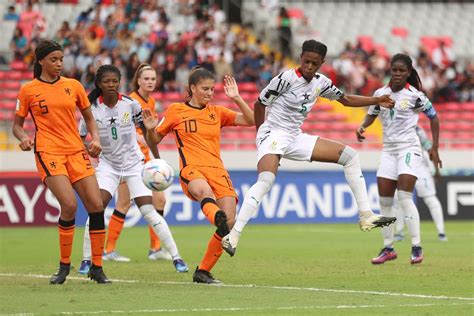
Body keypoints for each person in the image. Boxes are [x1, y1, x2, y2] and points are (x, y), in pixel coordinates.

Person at [221, 40, 397, 257]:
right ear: (300, 58)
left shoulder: (321, 82)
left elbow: (346, 99)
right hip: (273, 133)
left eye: (315, 63)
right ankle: (234, 235)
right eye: (306, 61)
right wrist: (261, 133)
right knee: (266, 181)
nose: (310, 67)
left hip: (295, 136)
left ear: (322, 63)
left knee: (350, 156)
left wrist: (377, 99)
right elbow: (260, 104)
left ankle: (366, 215)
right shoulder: (285, 79)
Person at [143, 67, 254, 284]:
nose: (210, 93)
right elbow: (154, 140)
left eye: (212, 89)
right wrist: (149, 129)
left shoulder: (217, 112)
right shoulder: (176, 111)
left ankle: (202, 271)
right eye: (205, 89)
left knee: (230, 223)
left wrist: (237, 98)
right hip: (192, 169)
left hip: (218, 171)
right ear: (192, 88)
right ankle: (216, 218)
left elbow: (250, 120)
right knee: (204, 192)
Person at [12, 40, 110, 284]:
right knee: (68, 205)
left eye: (61, 59)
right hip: (49, 152)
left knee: (96, 206)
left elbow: (89, 117)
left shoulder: (73, 86)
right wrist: (24, 138)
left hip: (76, 150)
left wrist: (95, 138)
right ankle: (64, 266)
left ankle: (97, 268)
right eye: (54, 60)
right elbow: (17, 125)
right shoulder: (28, 90)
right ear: (41, 61)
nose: (59, 64)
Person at [77, 64, 189, 274]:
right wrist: (89, 148)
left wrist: (155, 152)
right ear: (99, 84)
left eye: (114, 81)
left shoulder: (131, 105)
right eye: (106, 82)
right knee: (96, 208)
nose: (111, 85)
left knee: (149, 210)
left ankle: (176, 257)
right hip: (108, 166)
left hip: (133, 164)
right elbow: (80, 139)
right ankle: (87, 259)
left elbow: (148, 135)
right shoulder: (92, 109)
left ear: (119, 82)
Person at [356, 53, 442, 265]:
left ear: (409, 73)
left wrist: (435, 149)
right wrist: (363, 126)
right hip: (388, 151)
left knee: (404, 197)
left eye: (402, 71)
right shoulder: (380, 93)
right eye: (394, 70)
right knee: (385, 201)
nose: (397, 74)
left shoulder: (415, 95)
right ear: (390, 70)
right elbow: (372, 113)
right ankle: (388, 248)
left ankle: (416, 246)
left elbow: (434, 117)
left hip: (408, 149)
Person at [393, 126, 447, 242]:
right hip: (403, 166)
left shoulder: (417, 129)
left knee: (430, 200)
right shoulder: (394, 126)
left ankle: (441, 232)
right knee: (399, 199)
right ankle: (399, 232)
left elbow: (429, 149)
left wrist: (436, 170)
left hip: (420, 168)